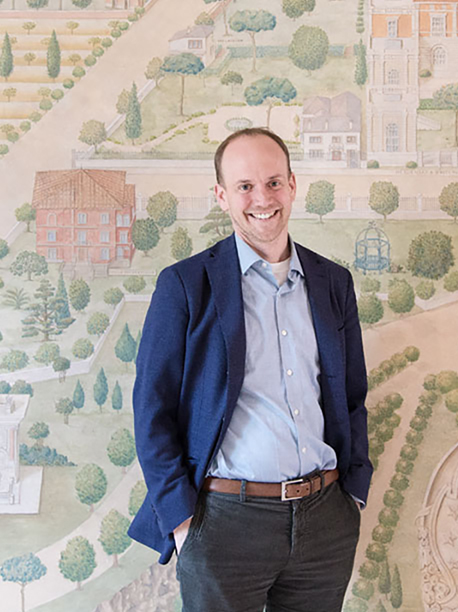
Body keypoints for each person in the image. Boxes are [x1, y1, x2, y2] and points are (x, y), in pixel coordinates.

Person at [128, 127, 371, 611]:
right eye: (245, 186)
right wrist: (182, 524)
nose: (262, 197)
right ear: (222, 195)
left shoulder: (333, 282)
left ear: (292, 185)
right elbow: (150, 411)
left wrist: (354, 496)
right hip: (223, 524)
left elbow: (352, 396)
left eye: (274, 182)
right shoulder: (184, 285)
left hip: (325, 522)